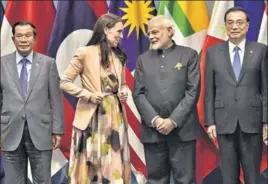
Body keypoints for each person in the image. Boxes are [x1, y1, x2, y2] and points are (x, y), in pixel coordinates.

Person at [60, 13, 131, 184]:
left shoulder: (119, 55)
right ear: (106, 30)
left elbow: (122, 84)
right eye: (118, 32)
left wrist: (123, 91)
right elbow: (64, 82)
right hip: (92, 116)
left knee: (114, 159)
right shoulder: (85, 52)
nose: (121, 36)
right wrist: (89, 95)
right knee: (91, 160)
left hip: (115, 115)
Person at [133, 15, 201, 184]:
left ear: (170, 31)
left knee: (185, 180)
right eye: (149, 33)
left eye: (155, 32)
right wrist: (156, 120)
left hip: (182, 130)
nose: (151, 36)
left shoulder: (189, 55)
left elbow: (192, 92)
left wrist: (172, 121)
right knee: (156, 180)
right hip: (153, 132)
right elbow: (138, 94)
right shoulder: (143, 60)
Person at [204, 7, 268, 184]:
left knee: (252, 176)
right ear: (225, 26)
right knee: (229, 176)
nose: (234, 26)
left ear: (247, 26)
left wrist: (266, 120)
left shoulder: (261, 50)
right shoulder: (213, 52)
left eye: (239, 22)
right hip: (224, 122)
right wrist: (210, 122)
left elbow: (266, 88)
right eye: (230, 22)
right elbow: (209, 89)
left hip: (252, 122)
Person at [0, 21, 64, 184]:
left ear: (34, 39)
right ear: (13, 39)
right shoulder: (2, 64)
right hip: (9, 130)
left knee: (42, 180)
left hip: (41, 130)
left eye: (27, 35)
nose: (23, 40)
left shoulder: (48, 63)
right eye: (19, 36)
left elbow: (55, 98)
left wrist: (57, 130)